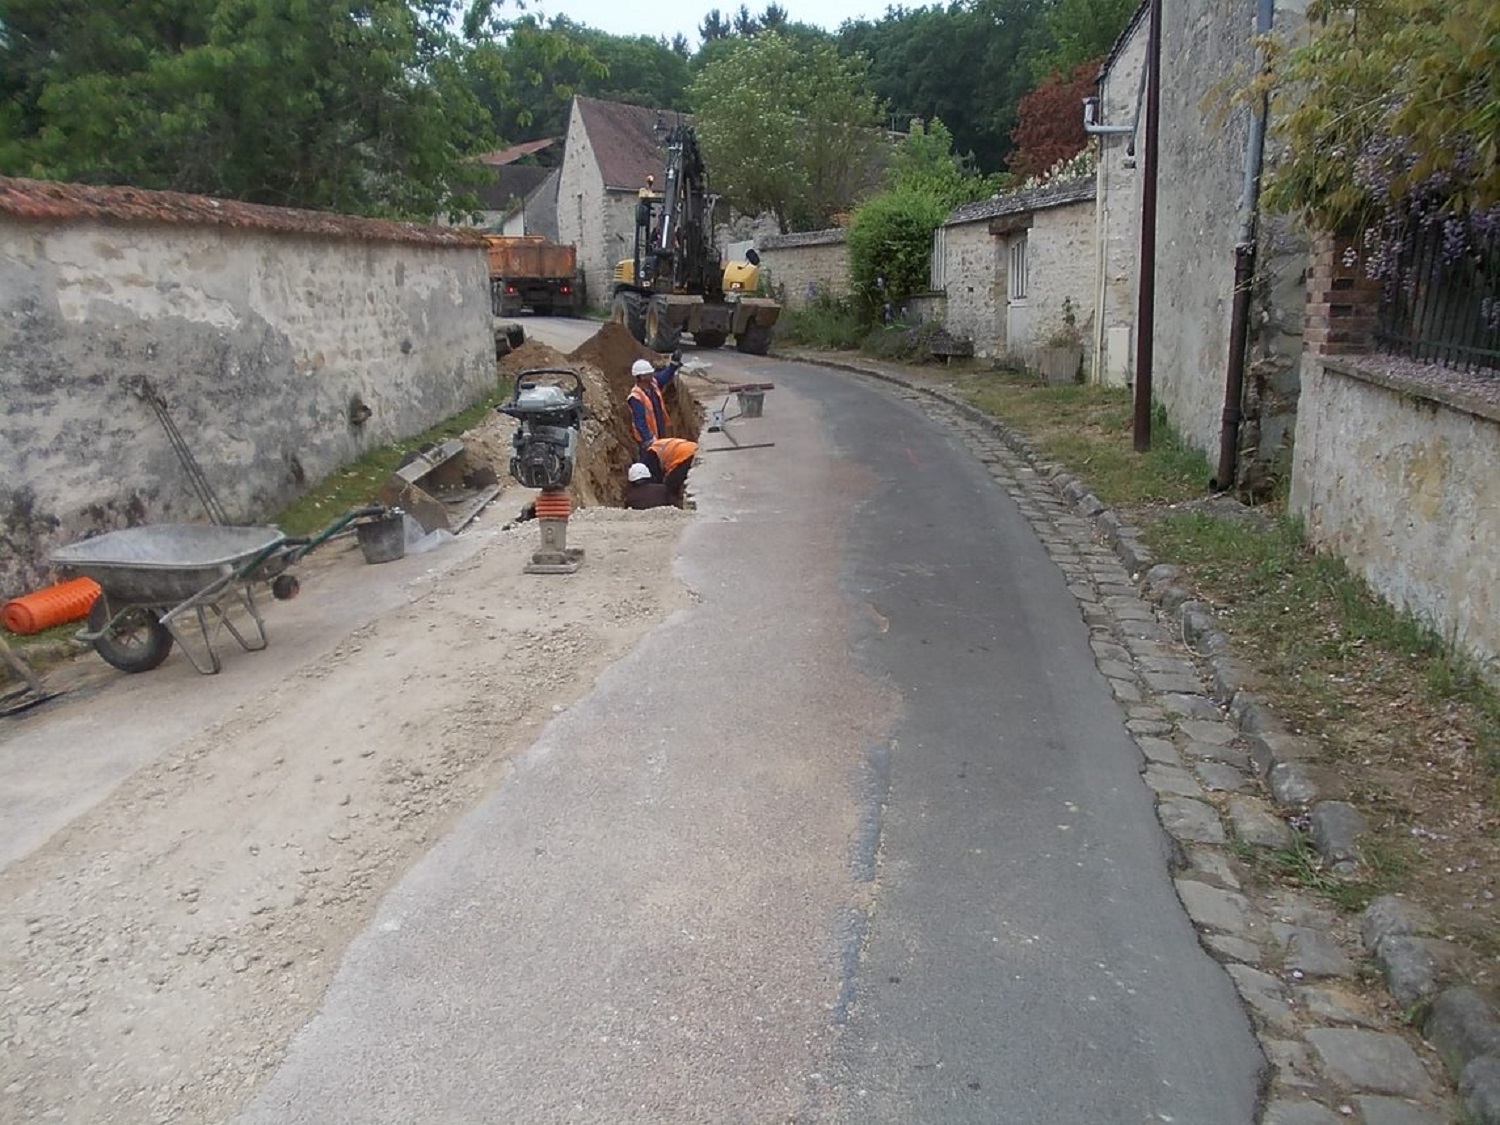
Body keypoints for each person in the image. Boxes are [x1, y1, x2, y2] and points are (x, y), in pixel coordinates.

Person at [627, 351, 682, 458]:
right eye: (649, 373)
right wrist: (648, 439)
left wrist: (674, 364)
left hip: (659, 431)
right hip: (648, 440)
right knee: (650, 462)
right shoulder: (636, 397)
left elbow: (665, 376)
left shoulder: (653, 384)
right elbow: (640, 421)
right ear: (641, 377)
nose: (652, 374)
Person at [644, 436, 698, 505]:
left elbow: (655, 475)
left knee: (670, 486)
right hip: (694, 448)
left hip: (685, 456)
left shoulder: (652, 452)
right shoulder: (661, 444)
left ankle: (674, 506)